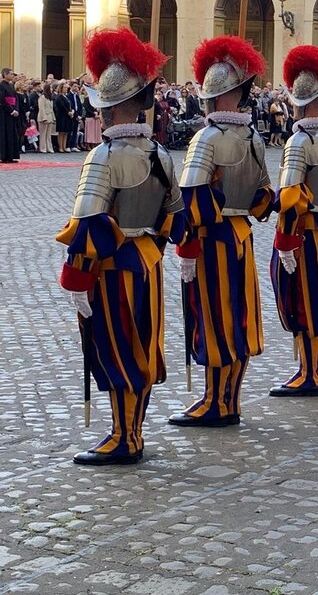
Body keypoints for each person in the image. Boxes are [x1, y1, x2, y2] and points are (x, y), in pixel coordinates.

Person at [56, 27, 186, 465]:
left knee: (114, 347)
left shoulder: (103, 156)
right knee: (141, 346)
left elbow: (89, 224)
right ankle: (132, 432)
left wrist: (75, 276)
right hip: (147, 263)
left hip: (111, 269)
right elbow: (175, 217)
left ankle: (124, 437)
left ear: (110, 109)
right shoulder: (162, 154)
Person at [169, 36, 274, 428]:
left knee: (214, 317)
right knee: (238, 317)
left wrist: (185, 241)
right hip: (242, 235)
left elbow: (192, 202)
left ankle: (216, 401)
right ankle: (231, 399)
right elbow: (265, 197)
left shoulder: (206, 138)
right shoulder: (254, 137)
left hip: (212, 240)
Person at [269, 45, 318, 396]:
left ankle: (309, 373)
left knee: (304, 302)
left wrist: (285, 240)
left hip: (303, 233)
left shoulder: (299, 141)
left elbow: (289, 198)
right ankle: (315, 369)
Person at [0, 68, 20, 163]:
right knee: (5, 134)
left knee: (12, 134)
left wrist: (16, 109)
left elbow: (15, 98)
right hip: (5, 113)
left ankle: (11, 155)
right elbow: (2, 100)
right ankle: (4, 156)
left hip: (13, 112)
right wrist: (11, 110)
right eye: (11, 74)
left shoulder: (11, 86)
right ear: (5, 74)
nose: (13, 76)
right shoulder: (1, 85)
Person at [37, 83, 56, 153]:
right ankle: (42, 148)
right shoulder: (42, 97)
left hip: (50, 117)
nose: (52, 89)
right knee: (43, 134)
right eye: (50, 88)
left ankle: (49, 147)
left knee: (48, 134)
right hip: (43, 118)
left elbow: (51, 108)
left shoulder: (50, 98)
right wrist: (44, 118)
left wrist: (53, 118)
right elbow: (41, 108)